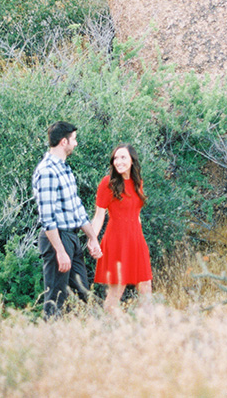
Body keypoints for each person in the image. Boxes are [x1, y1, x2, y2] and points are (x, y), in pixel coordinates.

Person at [32, 121, 102, 318]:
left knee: (84, 293)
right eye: (74, 139)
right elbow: (47, 217)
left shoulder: (64, 169)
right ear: (64, 142)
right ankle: (49, 341)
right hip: (57, 239)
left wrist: (91, 237)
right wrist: (60, 251)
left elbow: (76, 209)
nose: (76, 143)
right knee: (55, 298)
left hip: (71, 238)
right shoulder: (47, 171)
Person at [92, 143, 153, 311]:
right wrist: (92, 240)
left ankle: (151, 332)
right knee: (116, 290)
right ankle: (111, 332)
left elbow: (136, 214)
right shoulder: (107, 183)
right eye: (116, 158)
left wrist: (140, 240)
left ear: (132, 160)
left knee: (146, 287)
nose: (118, 161)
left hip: (136, 241)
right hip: (117, 242)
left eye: (123, 157)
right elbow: (99, 216)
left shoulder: (137, 182)